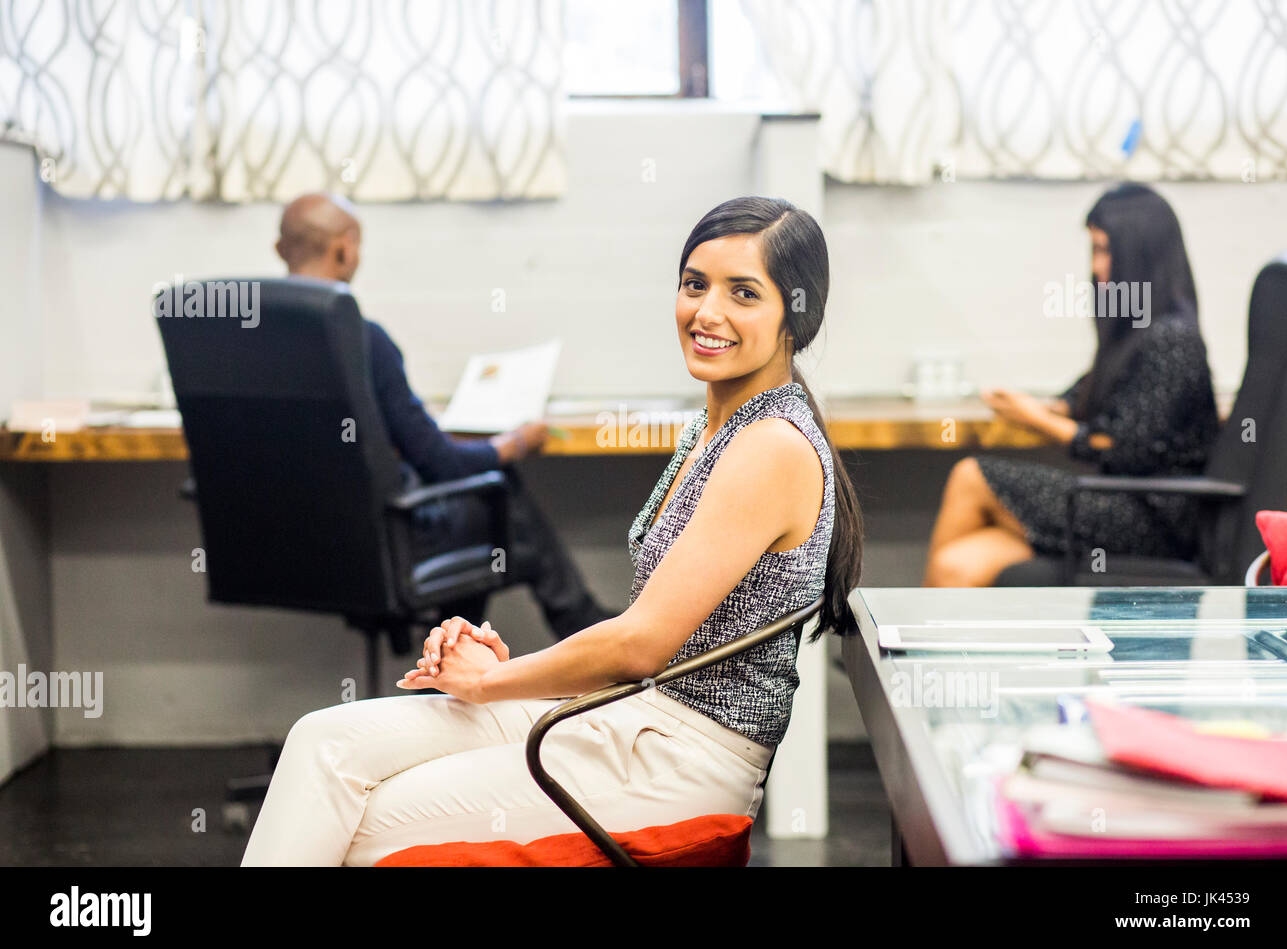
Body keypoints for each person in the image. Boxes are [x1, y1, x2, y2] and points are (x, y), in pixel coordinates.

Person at [241, 195, 863, 866]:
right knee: (320, 744)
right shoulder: (714, 426)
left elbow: (640, 644)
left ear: (795, 316)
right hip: (626, 714)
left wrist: (491, 684)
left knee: (359, 827)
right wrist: (509, 673)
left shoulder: (770, 444)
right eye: (694, 284)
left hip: (678, 756)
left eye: (743, 293)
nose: (706, 312)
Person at [274, 192, 612, 638]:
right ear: (345, 249)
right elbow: (440, 463)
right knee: (499, 494)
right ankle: (581, 627)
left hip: (293, 544)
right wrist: (513, 444)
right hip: (380, 542)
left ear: (281, 250)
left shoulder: (249, 341)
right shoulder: (363, 341)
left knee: (479, 512)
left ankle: (444, 679)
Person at [923, 183, 1220, 587]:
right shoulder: (1140, 335)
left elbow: (1120, 448)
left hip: (1153, 520)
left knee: (971, 474)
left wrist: (1037, 420)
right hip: (1122, 504)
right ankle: (925, 645)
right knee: (956, 566)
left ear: (1140, 256)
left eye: (1105, 251)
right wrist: (1046, 408)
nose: (1097, 267)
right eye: (1094, 251)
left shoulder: (1173, 340)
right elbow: (1090, 396)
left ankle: (900, 644)